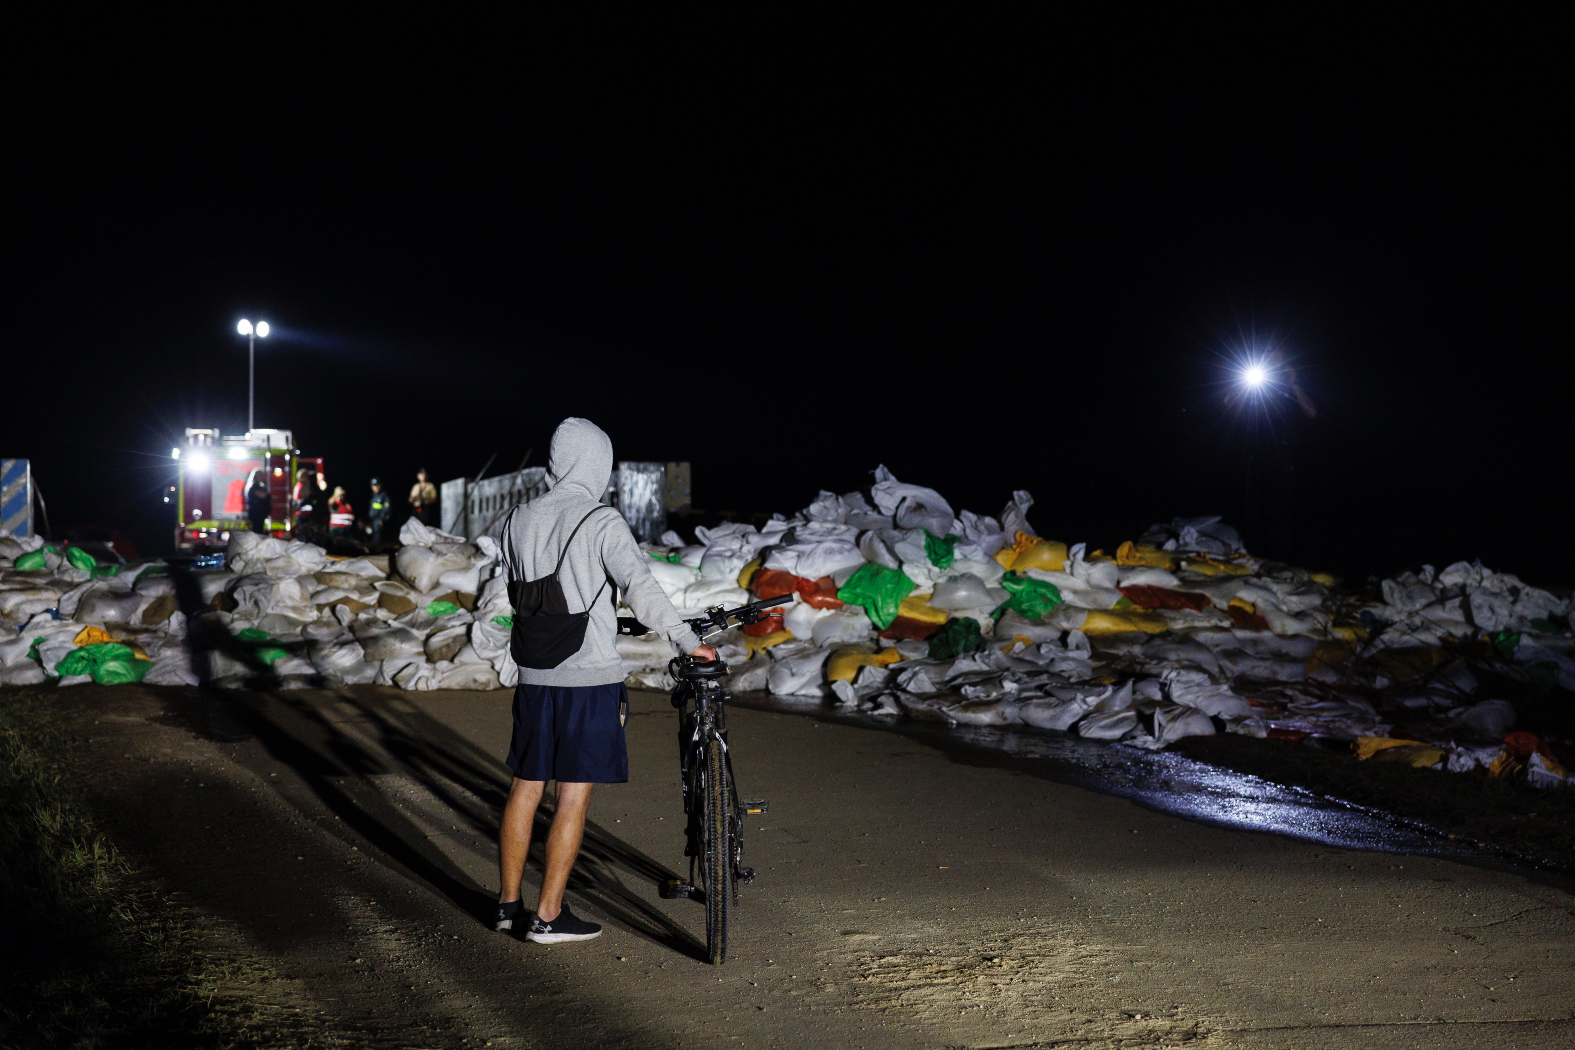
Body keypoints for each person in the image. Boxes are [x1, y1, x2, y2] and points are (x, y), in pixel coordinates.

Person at [494, 418, 716, 944]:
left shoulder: (517, 520)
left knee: (525, 788)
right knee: (571, 797)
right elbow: (640, 588)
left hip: (534, 675)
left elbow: (513, 589)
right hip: (587, 679)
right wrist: (688, 641)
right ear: (597, 464)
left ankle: (507, 906)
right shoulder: (600, 520)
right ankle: (548, 916)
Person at [1237, 349, 1317, 564]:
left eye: (1277, 356)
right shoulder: (1257, 381)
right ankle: (1258, 558)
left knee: (1278, 510)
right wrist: (1245, 385)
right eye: (1269, 356)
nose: (1273, 360)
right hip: (1255, 453)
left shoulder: (1291, 381)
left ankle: (1278, 563)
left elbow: (1312, 413)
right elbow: (1229, 402)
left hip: (1281, 455)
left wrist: (1293, 383)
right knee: (1253, 509)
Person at [366, 478, 392, 542]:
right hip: (372, 521)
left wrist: (382, 520)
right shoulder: (372, 496)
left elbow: (386, 509)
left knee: (378, 538)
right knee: (369, 537)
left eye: (377, 485)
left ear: (380, 485)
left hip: (379, 521)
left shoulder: (384, 496)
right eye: (374, 485)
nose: (376, 487)